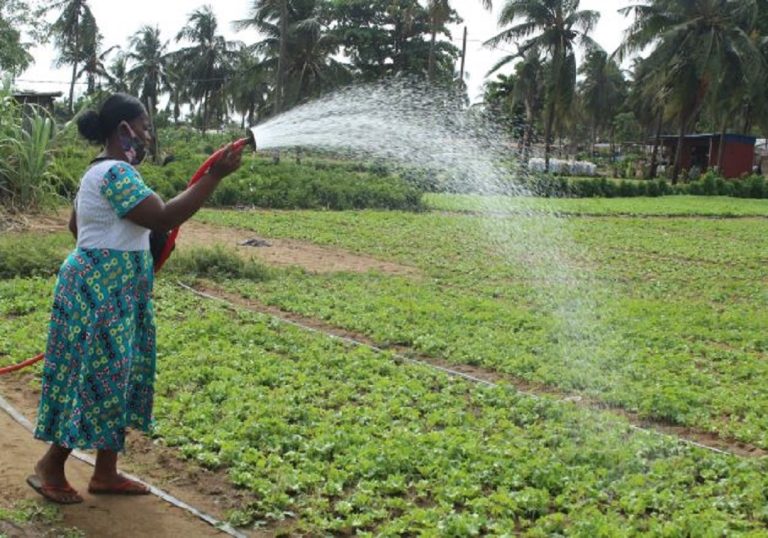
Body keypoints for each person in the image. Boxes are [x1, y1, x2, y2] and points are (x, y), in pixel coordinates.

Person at [27, 93, 244, 504]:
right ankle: (50, 466)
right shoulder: (115, 173)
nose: (148, 136)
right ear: (124, 130)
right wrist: (213, 176)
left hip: (113, 290)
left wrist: (120, 255)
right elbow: (164, 216)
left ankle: (105, 472)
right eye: (144, 128)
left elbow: (79, 227)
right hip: (103, 294)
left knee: (117, 378)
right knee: (97, 379)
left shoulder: (101, 173)